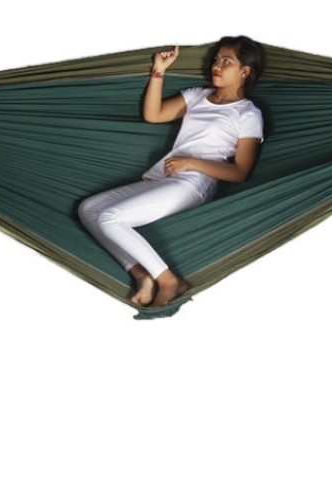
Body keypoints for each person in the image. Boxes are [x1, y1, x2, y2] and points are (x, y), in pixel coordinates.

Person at [78, 37, 265, 308]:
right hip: (163, 177)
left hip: (195, 183)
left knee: (110, 219)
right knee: (88, 209)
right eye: (216, 59)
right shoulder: (198, 96)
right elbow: (153, 114)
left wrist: (192, 162)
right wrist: (159, 70)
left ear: (244, 71)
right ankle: (141, 275)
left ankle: (169, 281)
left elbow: (240, 172)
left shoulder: (247, 113)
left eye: (227, 61)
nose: (217, 65)